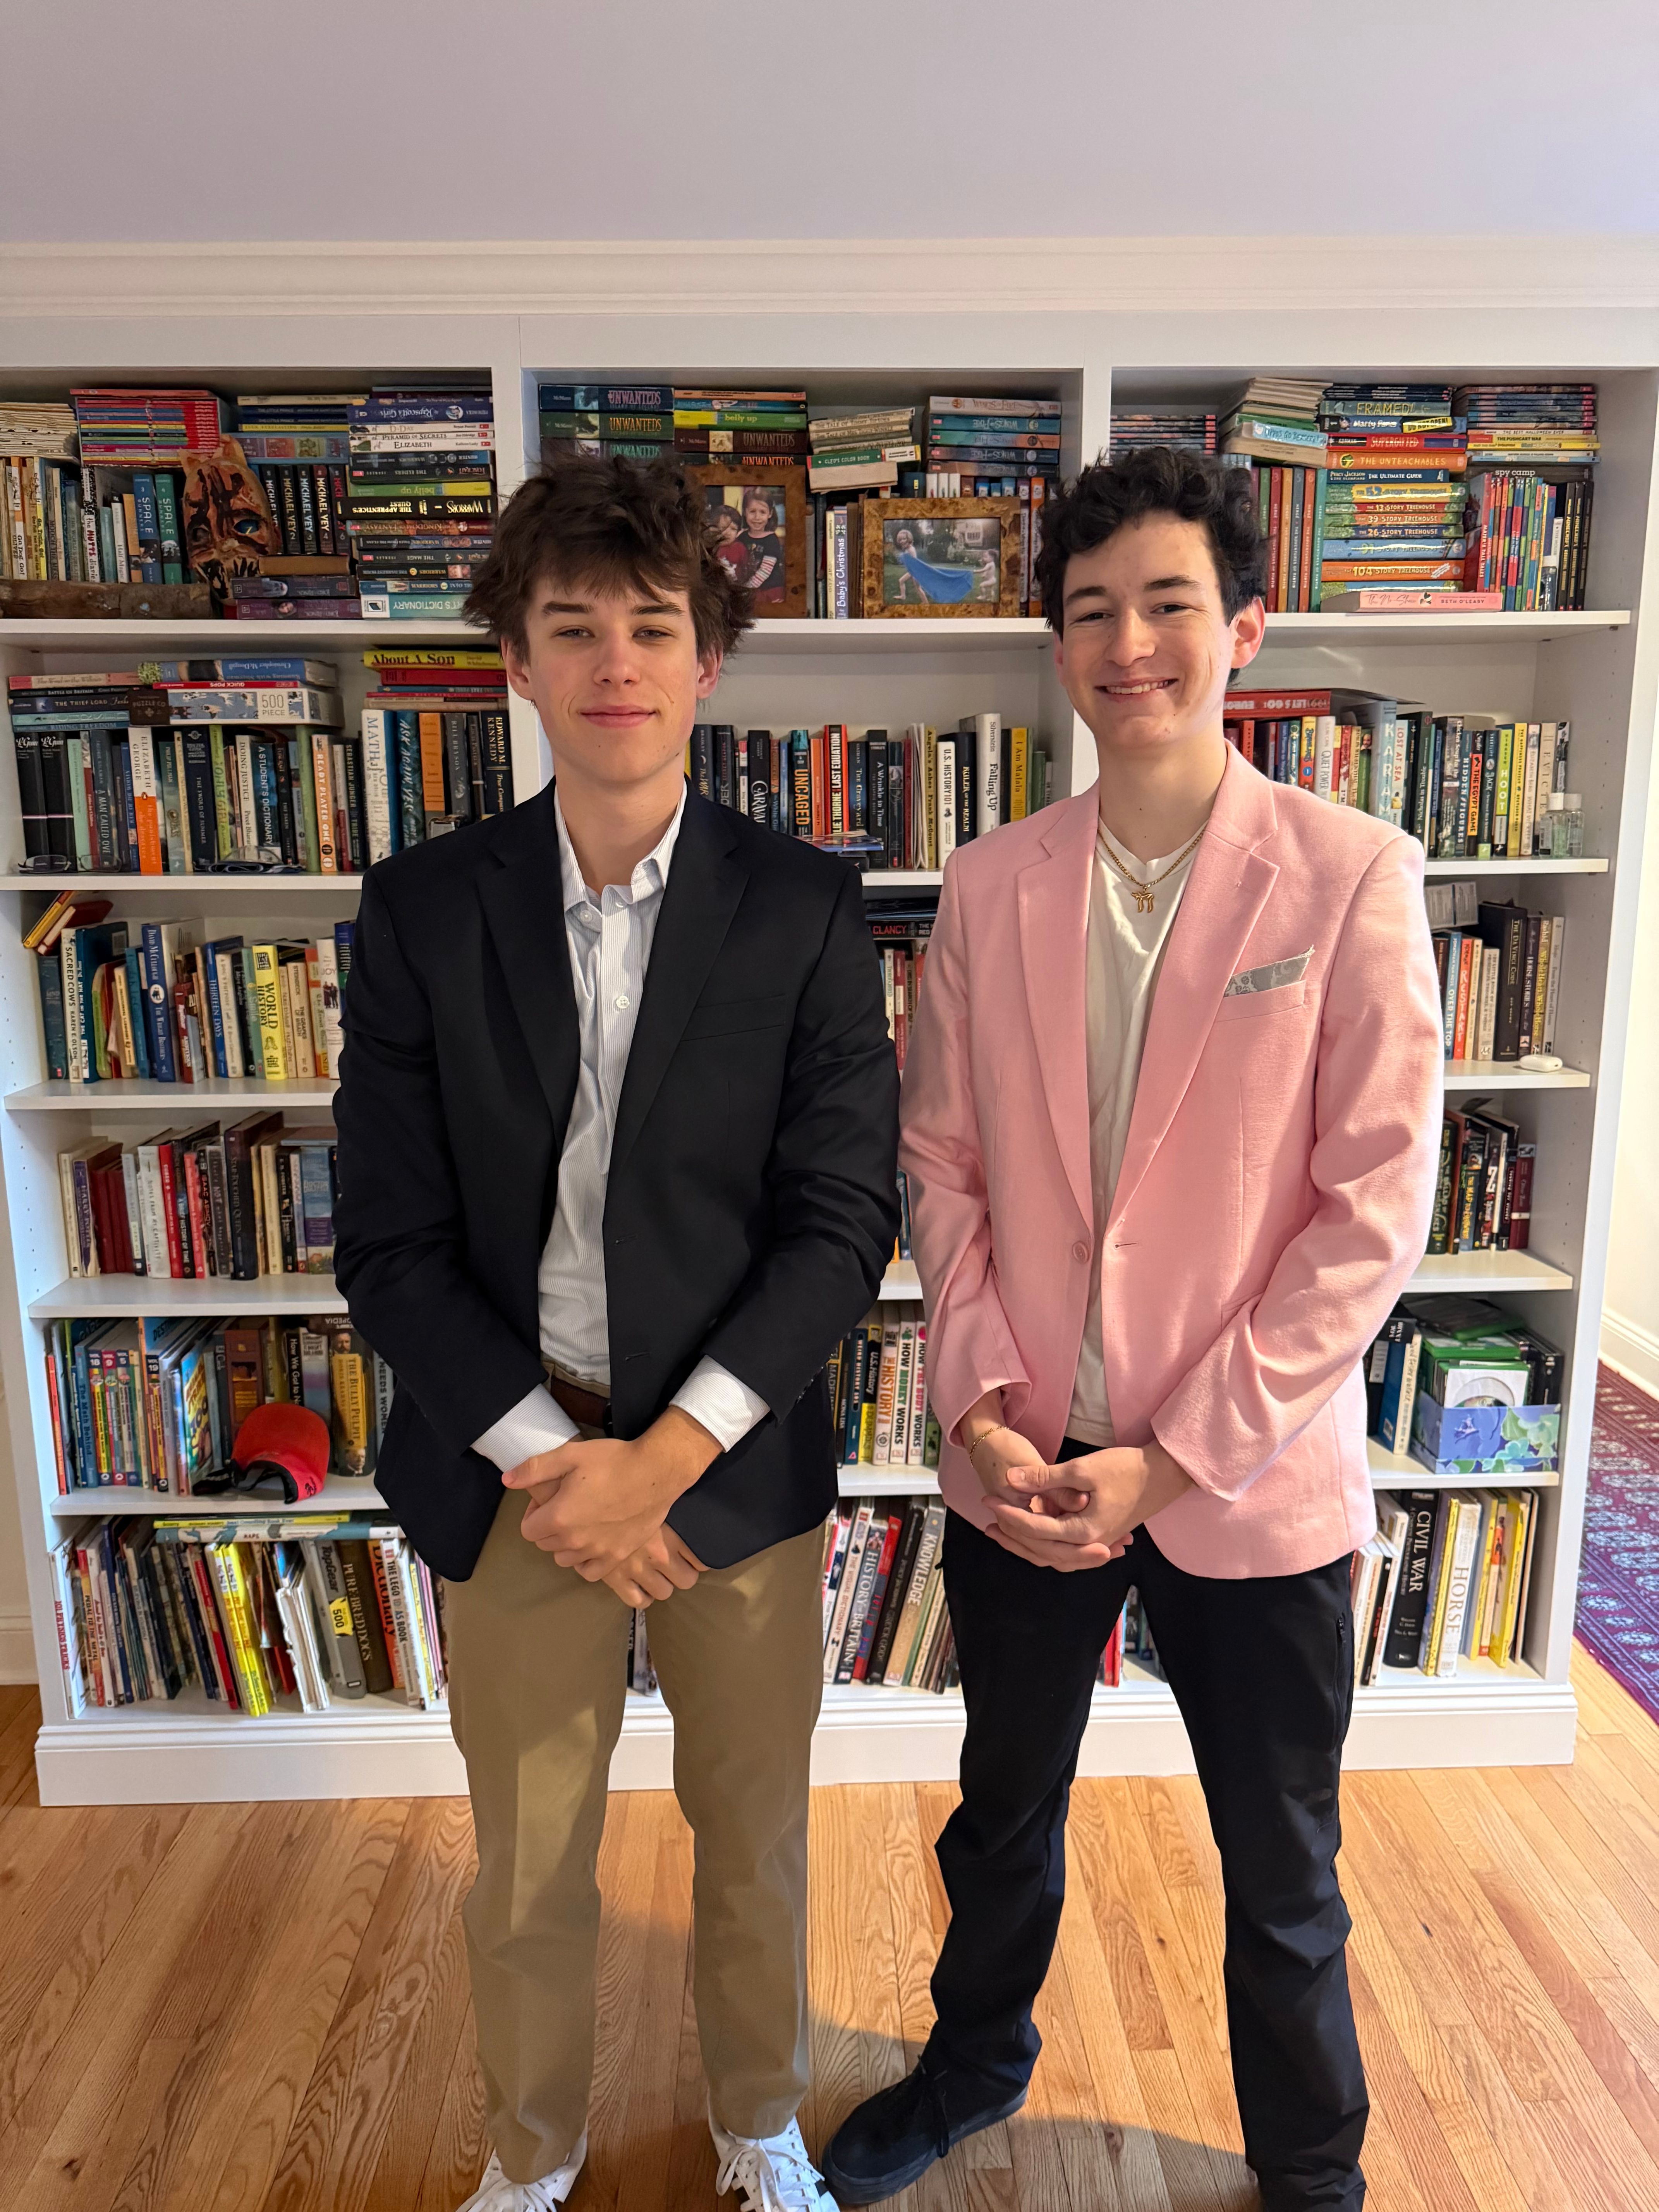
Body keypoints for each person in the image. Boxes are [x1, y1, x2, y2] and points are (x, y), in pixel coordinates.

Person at [821, 447, 1444, 2210]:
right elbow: (936, 1164)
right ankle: (976, 2061)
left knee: (1284, 1867)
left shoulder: (1348, 875)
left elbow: (1369, 1215)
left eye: (1172, 603)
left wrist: (1171, 1460)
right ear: (1057, 645)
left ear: (1246, 627)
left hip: (1241, 1478)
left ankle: (1312, 2165)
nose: (1132, 643)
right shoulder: (995, 881)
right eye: (1092, 610)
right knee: (1001, 1809)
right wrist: (981, 1400)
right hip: (1027, 1460)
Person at [334, 455, 899, 2212]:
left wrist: (666, 1460)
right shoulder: (424, 914)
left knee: (755, 1842)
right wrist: (558, 1465)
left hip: (726, 1467)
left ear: (708, 659)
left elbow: (841, 1222)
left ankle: (756, 2124)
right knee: (529, 1860)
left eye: (652, 627)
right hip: (514, 1468)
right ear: (516, 656)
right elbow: (392, 1243)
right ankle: (533, 2152)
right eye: (570, 626)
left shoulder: (806, 906)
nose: (614, 662)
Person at [739, 486, 784, 601]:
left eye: (763, 512)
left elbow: (765, 571)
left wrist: (746, 589)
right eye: (752, 512)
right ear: (745, 512)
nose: (757, 518)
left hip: (770, 591)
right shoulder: (742, 537)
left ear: (770, 513)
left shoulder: (771, 540)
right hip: (749, 590)